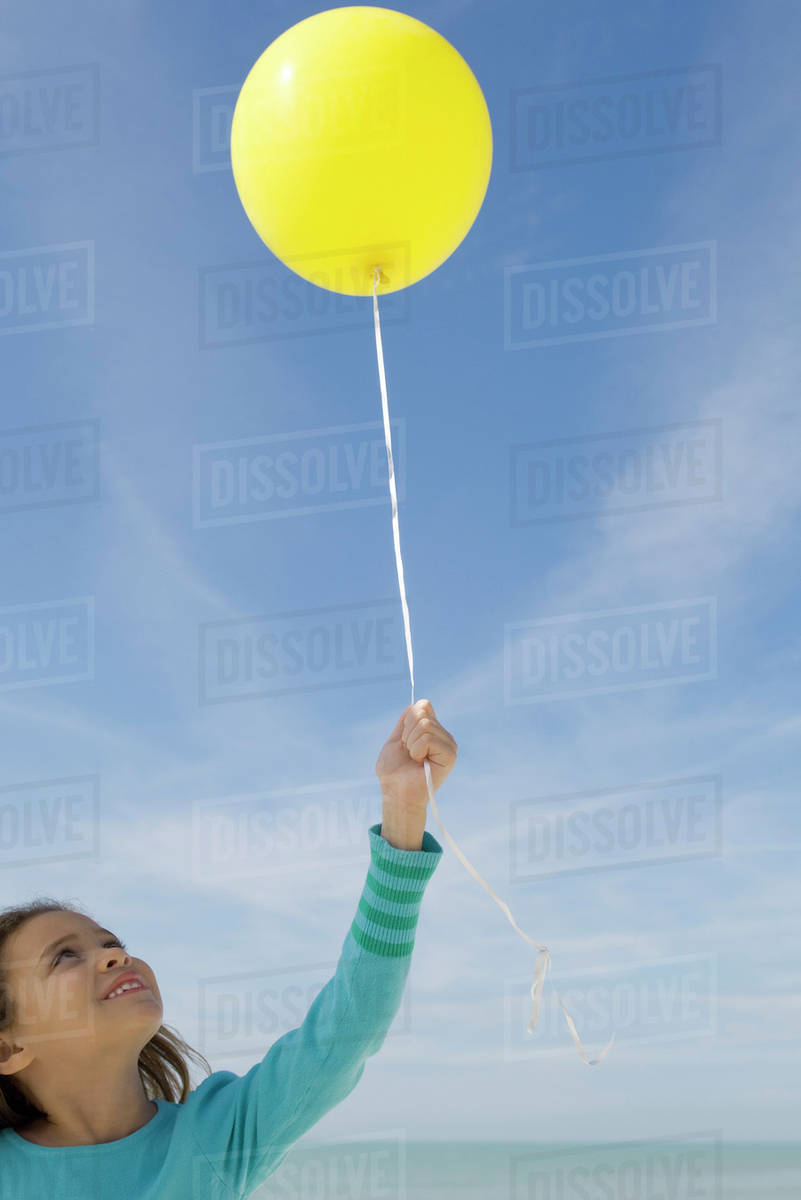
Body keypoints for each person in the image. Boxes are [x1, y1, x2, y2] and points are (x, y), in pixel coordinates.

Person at [0, 699, 456, 1198]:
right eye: (64, 956)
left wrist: (403, 808)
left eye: (112, 942)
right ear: (9, 1046)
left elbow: (347, 1030)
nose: (114, 956)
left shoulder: (214, 1139)